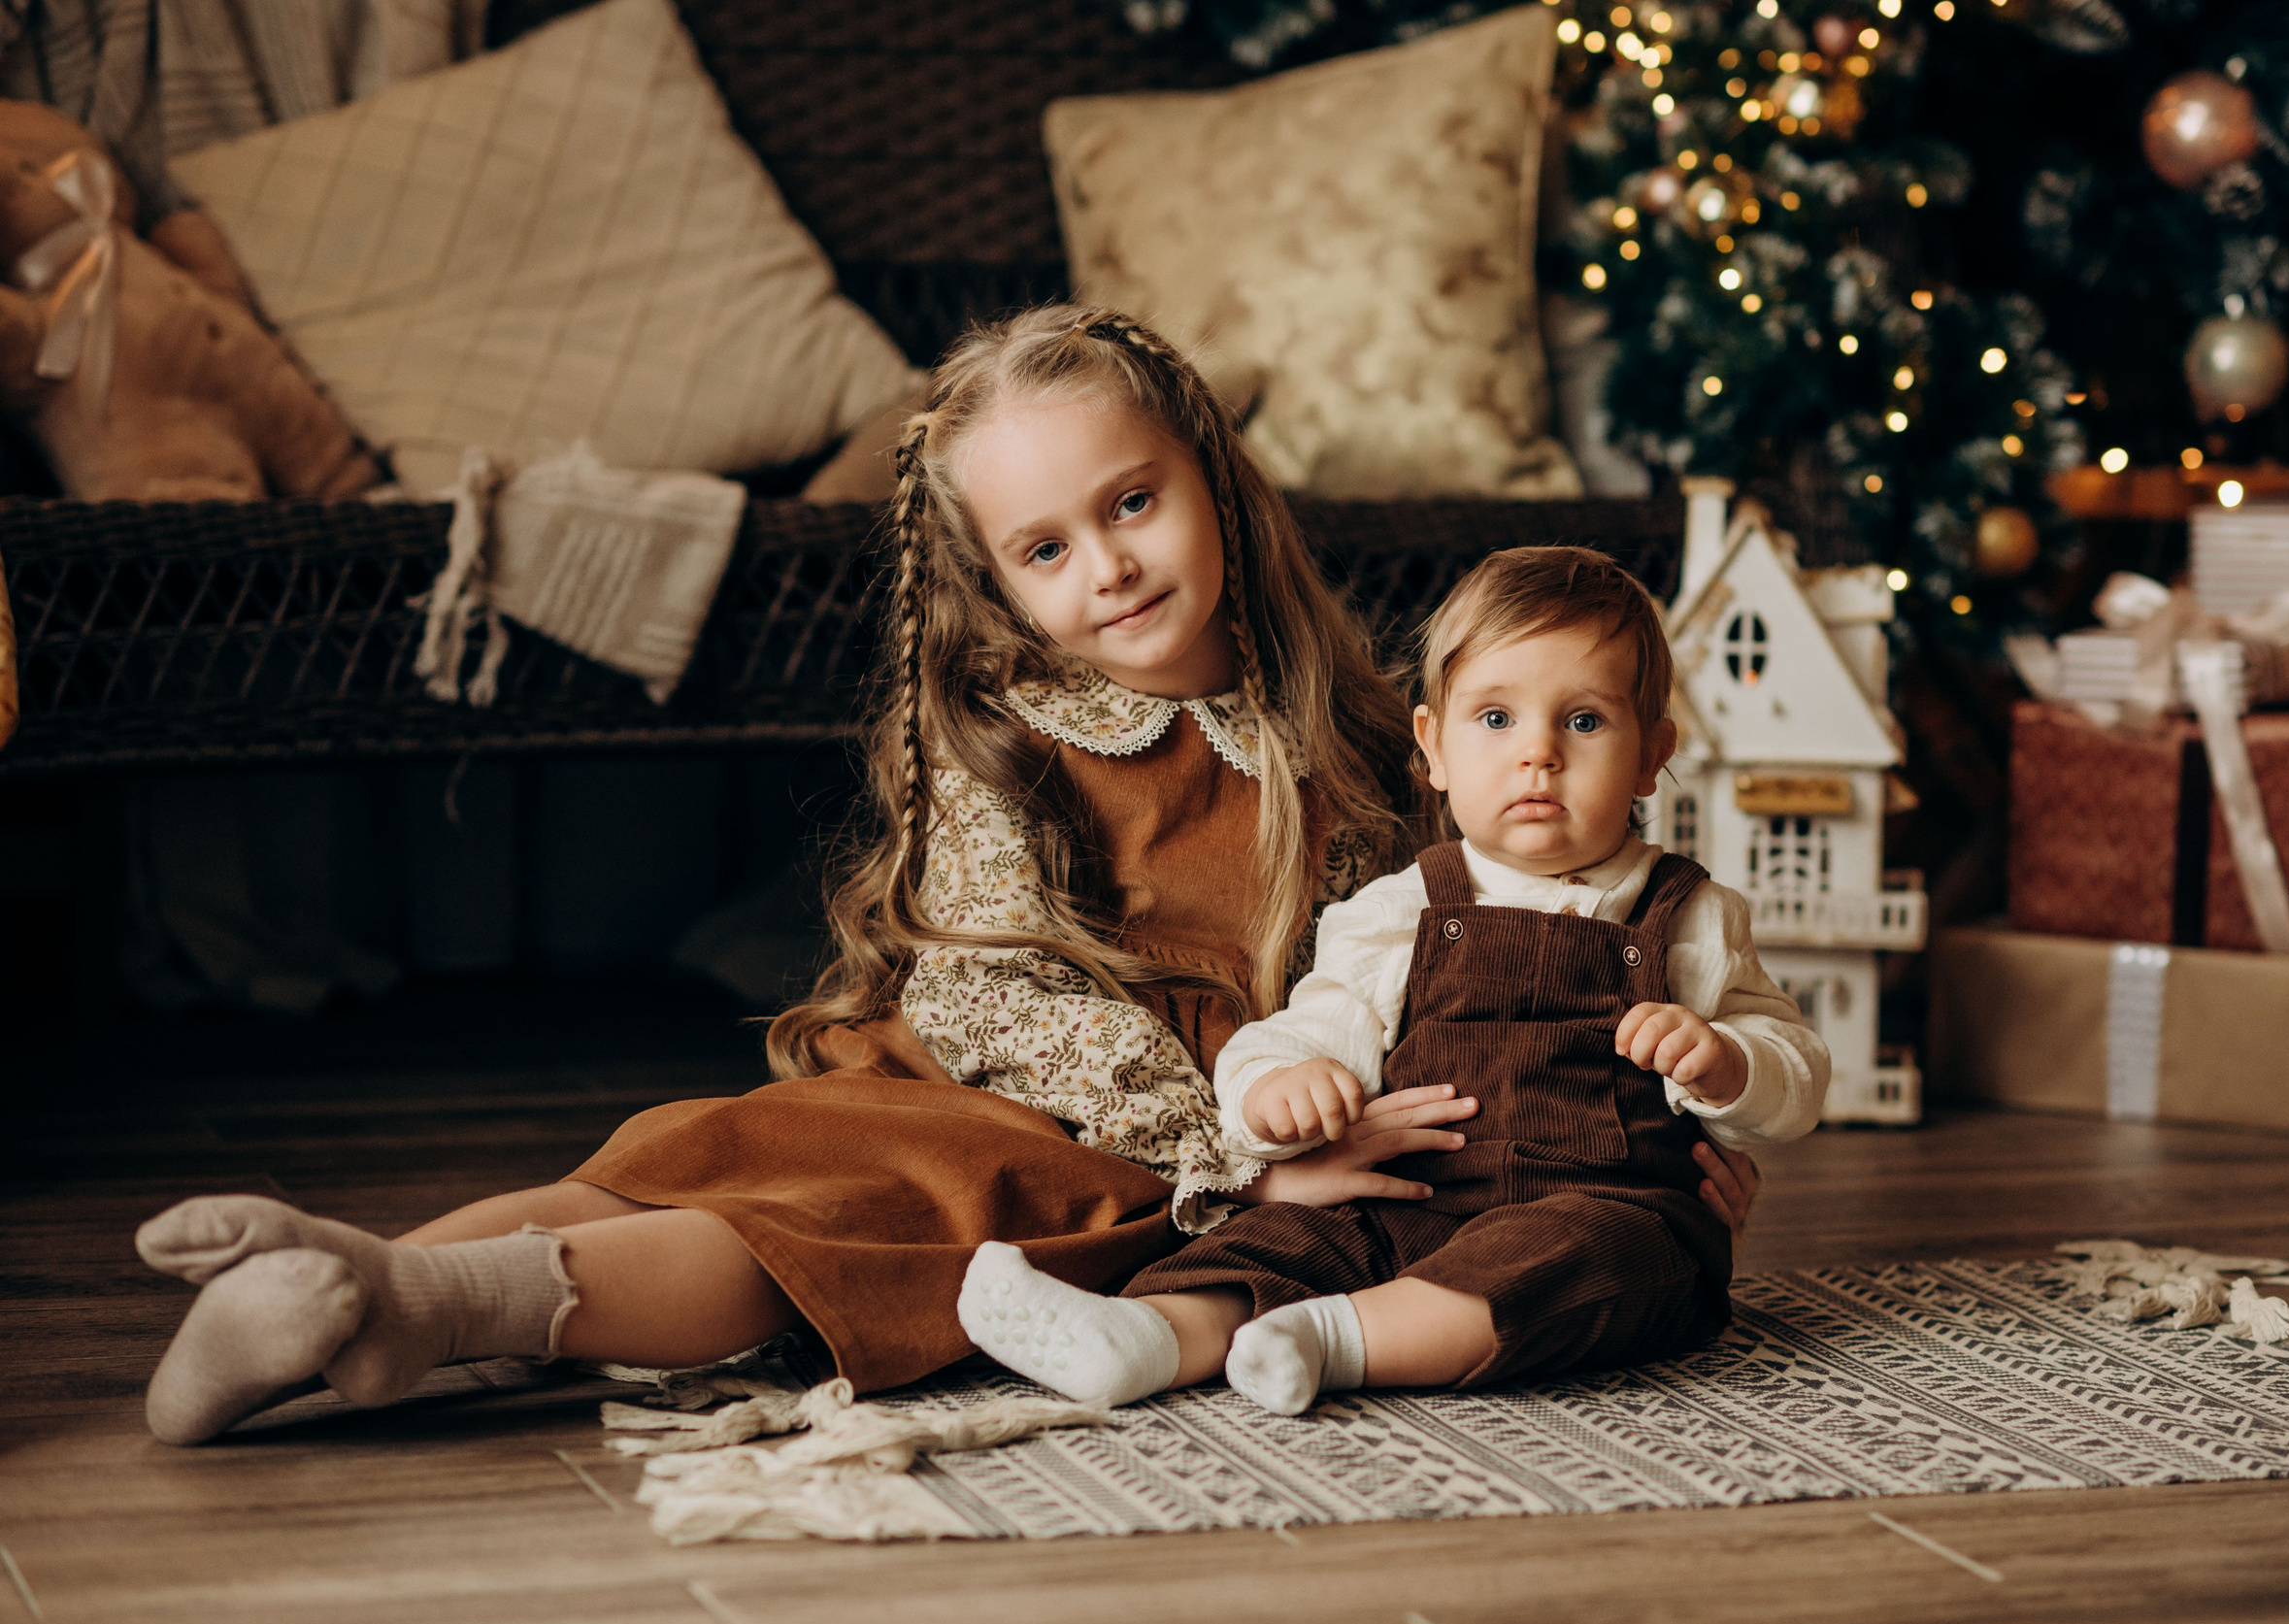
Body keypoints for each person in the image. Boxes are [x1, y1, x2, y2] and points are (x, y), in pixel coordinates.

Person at [129, 311, 1762, 1445]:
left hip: (1171, 1139)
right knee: (709, 1163)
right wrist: (1228, 1154)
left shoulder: (1354, 732)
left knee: (819, 1232)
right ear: (995, 580)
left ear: (1210, 475)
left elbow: (1480, 957)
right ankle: (378, 1273)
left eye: (1133, 502)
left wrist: (1650, 1138)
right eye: (1047, 547)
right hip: (1058, 1096)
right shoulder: (1011, 733)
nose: (1108, 564)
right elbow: (984, 989)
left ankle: (410, 1305)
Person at [958, 547, 1823, 1414]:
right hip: (1409, 1200)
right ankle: (1145, 1335)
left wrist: (1729, 1063)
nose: (1539, 754)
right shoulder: (1400, 910)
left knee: (1597, 1256)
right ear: (1434, 746)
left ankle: (1334, 1339)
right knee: (1287, 1237)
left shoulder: (1690, 915)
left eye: (1585, 720)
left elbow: (1796, 1070)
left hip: (1601, 1203)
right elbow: (1307, 1029)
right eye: (1495, 718)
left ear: (1651, 756)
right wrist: (1278, 1091)